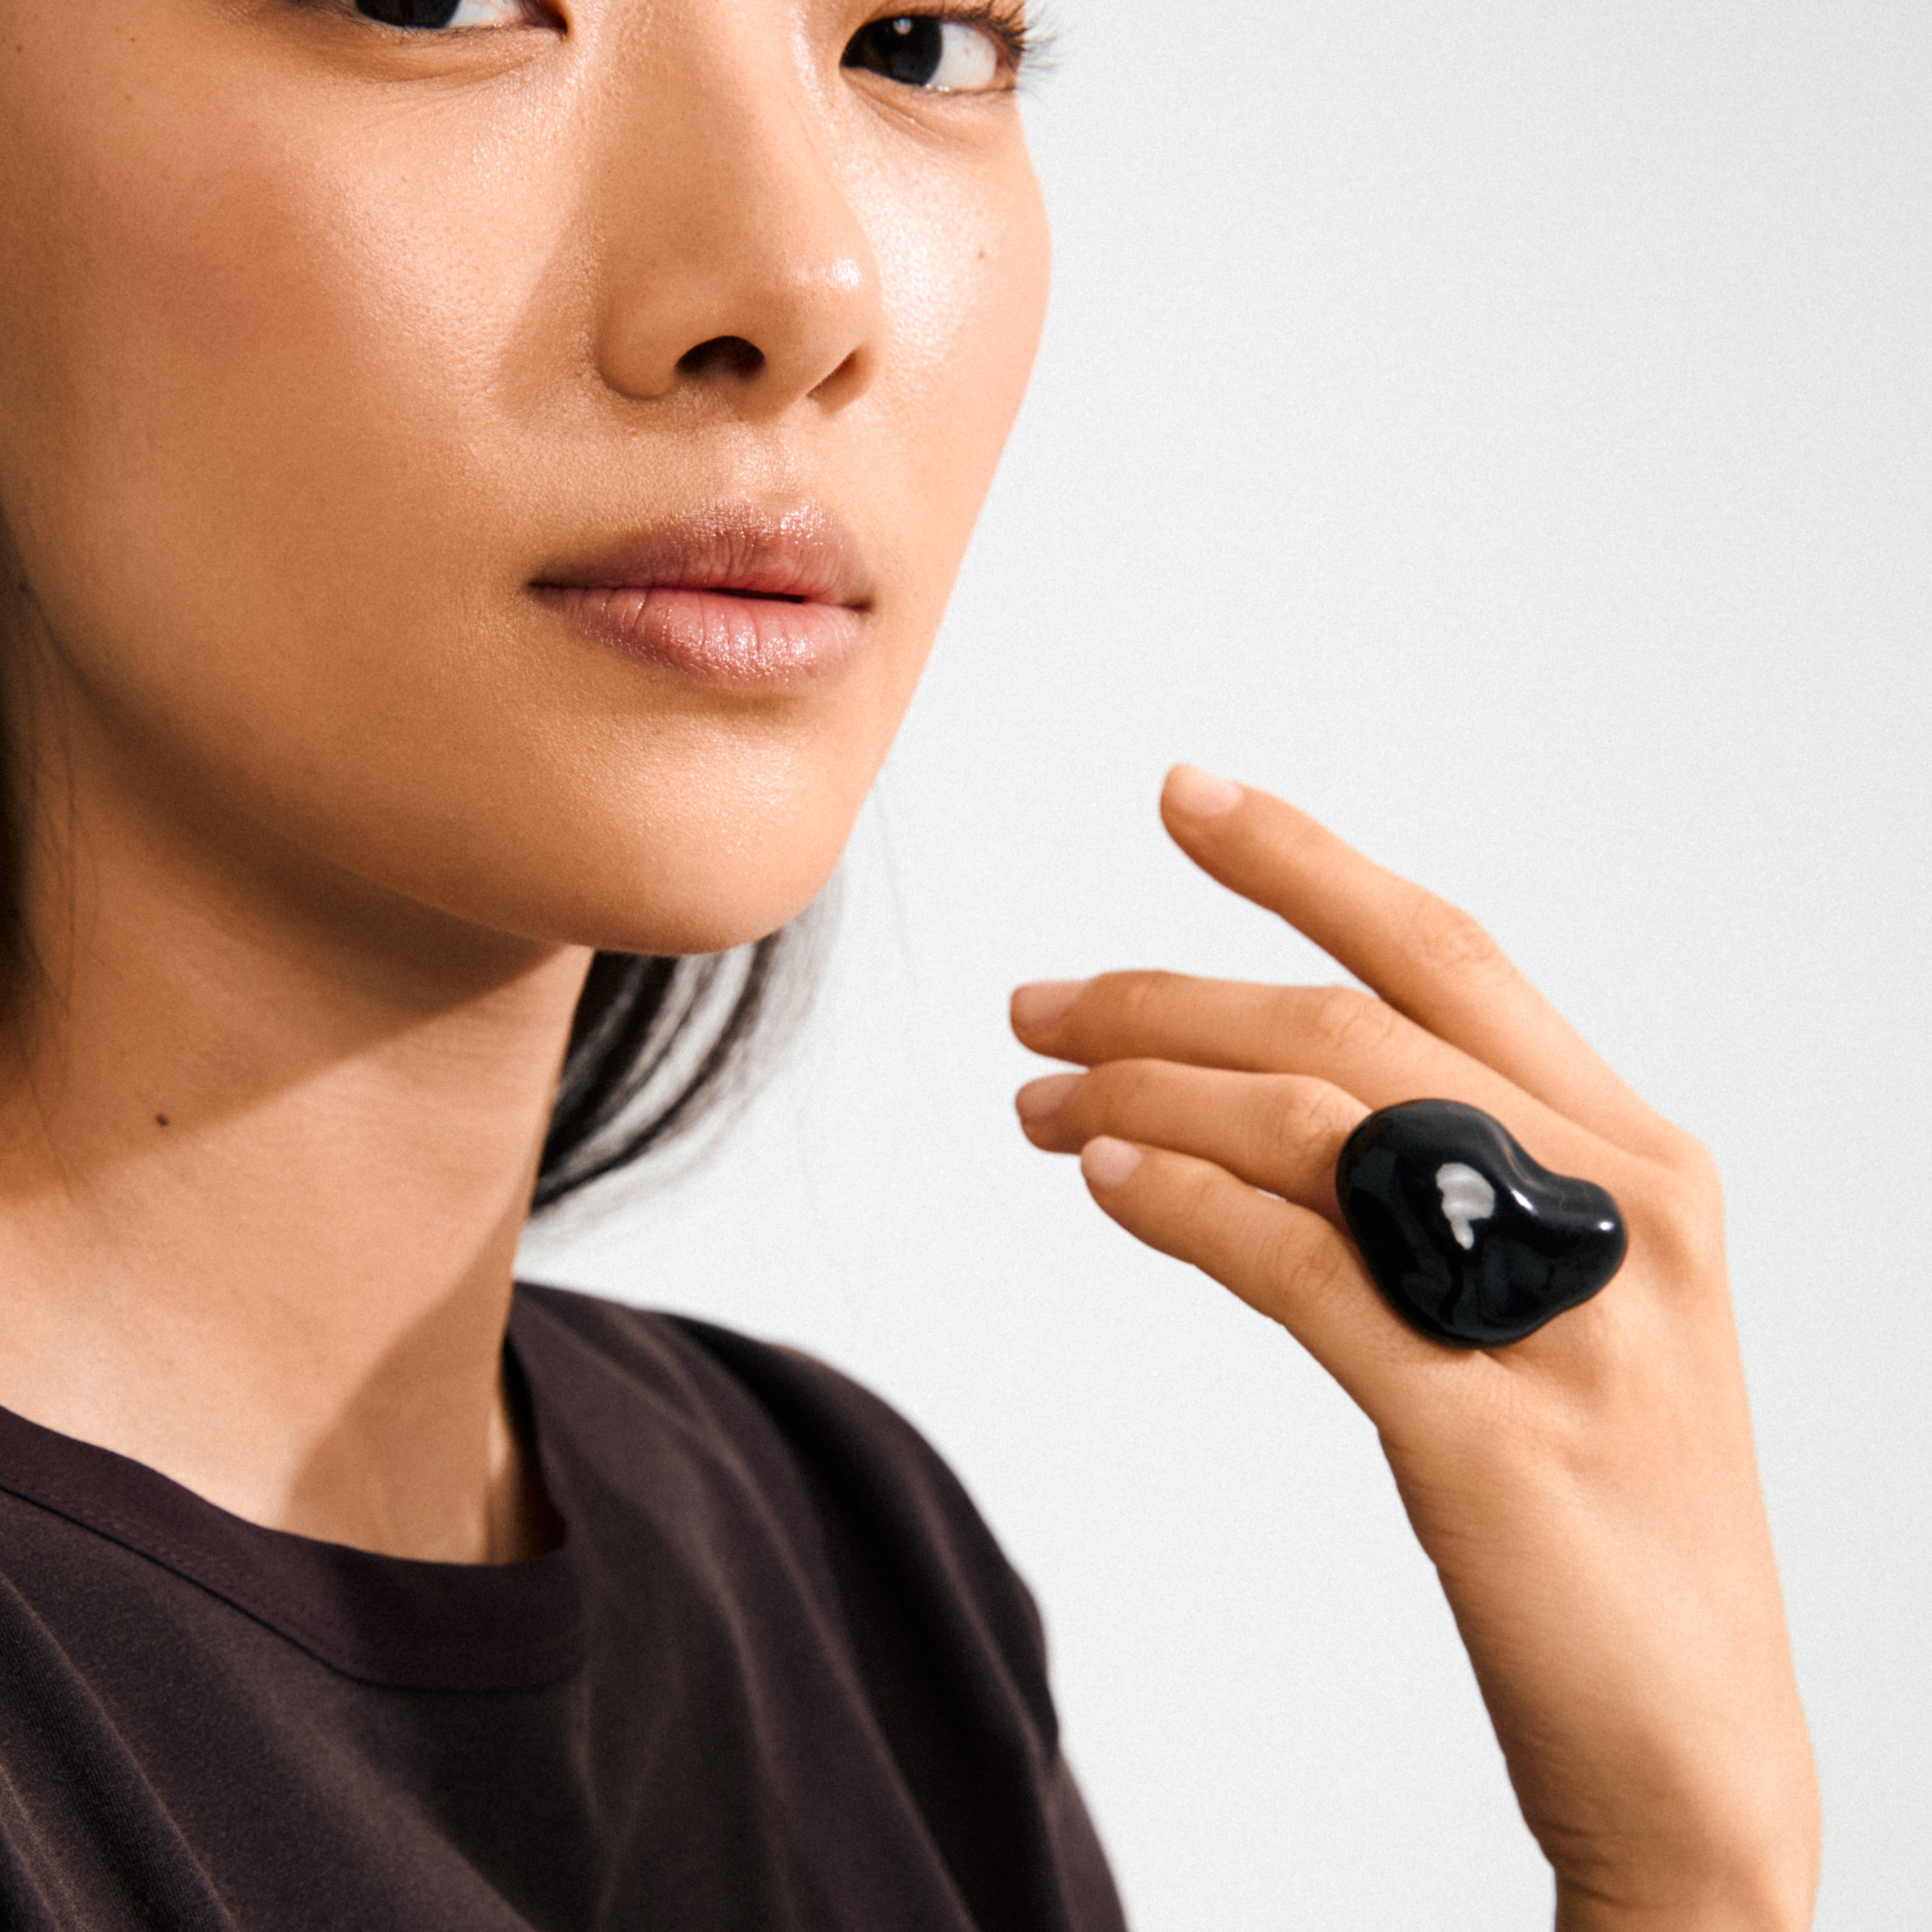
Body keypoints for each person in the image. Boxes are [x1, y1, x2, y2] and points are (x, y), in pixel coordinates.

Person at [0, 2, 1817, 1927]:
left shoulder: (852, 1573)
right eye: (442, 0)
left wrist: (1689, 1873)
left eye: (917, 40)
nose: (804, 283)